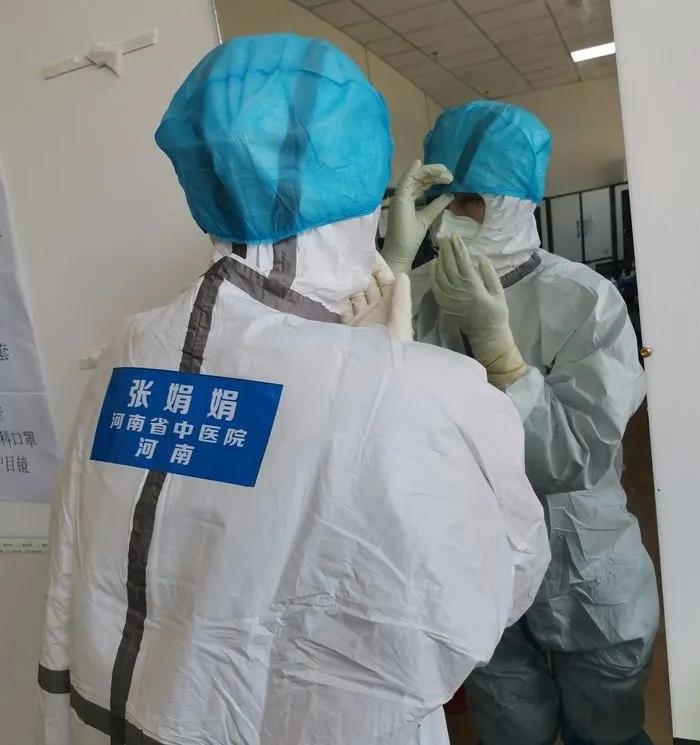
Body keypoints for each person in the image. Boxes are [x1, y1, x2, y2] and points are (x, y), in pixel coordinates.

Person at [36, 38, 550, 745]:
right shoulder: (423, 393)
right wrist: (391, 372)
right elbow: (498, 575)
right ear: (361, 176)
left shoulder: (131, 348)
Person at [381, 100, 659, 745]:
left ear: (513, 203)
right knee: (511, 727)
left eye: (471, 200)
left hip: (582, 561)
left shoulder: (586, 300)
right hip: (472, 563)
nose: (452, 215)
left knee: (607, 729)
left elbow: (578, 457)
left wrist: (501, 357)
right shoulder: (410, 293)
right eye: (439, 198)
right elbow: (357, 401)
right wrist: (390, 271)